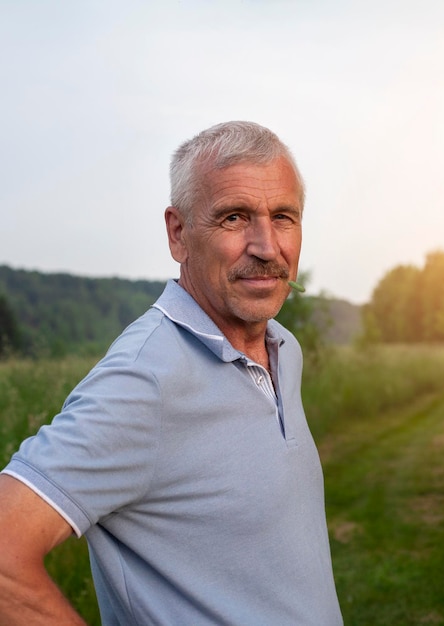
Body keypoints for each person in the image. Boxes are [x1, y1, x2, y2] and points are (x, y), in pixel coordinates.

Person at [0, 121, 343, 625]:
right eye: (234, 217)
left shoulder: (282, 348)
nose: (267, 246)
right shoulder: (145, 380)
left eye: (283, 217)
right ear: (178, 233)